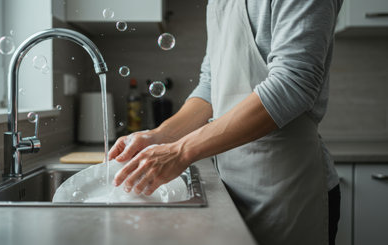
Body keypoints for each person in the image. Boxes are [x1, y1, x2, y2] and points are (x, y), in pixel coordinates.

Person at [108, 0, 343, 244]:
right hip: (230, 189)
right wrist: (160, 135)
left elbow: (293, 84)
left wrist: (180, 151)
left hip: (289, 192)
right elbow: (211, 85)